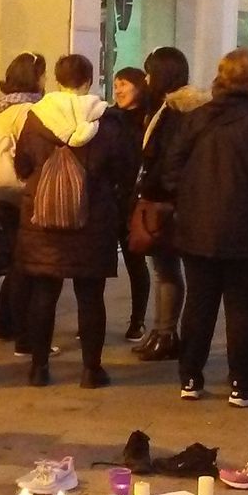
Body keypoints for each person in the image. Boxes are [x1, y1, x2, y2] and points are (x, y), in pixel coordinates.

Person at [157, 48, 248, 408]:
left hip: (197, 230)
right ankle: (242, 384)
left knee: (199, 304)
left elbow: (170, 173)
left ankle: (190, 377)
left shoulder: (196, 118)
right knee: (244, 309)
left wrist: (190, 204)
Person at [13, 53, 137, 387]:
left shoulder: (36, 118)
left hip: (43, 220)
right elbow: (126, 169)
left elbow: (22, 164)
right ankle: (90, 371)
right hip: (92, 219)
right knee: (90, 297)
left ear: (58, 80)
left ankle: (39, 368)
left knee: (44, 294)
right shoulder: (108, 120)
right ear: (88, 80)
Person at [132, 47, 208, 362]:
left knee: (167, 270)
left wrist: (150, 188)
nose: (146, 79)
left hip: (170, 202)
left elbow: (167, 160)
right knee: (165, 269)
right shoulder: (174, 108)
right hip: (176, 199)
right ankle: (162, 331)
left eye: (150, 73)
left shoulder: (176, 112)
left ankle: (166, 334)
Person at [0, 52, 47, 353]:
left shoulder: (2, 109)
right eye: (43, 74)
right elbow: (31, 153)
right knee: (27, 267)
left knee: (16, 262)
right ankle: (26, 336)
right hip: (21, 193)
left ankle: (3, 325)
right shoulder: (27, 111)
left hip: (1, 193)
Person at [114, 65, 150, 343]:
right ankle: (89, 322)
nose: (118, 90)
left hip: (134, 202)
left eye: (124, 84)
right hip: (108, 200)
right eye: (116, 85)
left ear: (139, 87)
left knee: (135, 263)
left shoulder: (148, 120)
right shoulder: (108, 117)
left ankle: (137, 321)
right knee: (94, 266)